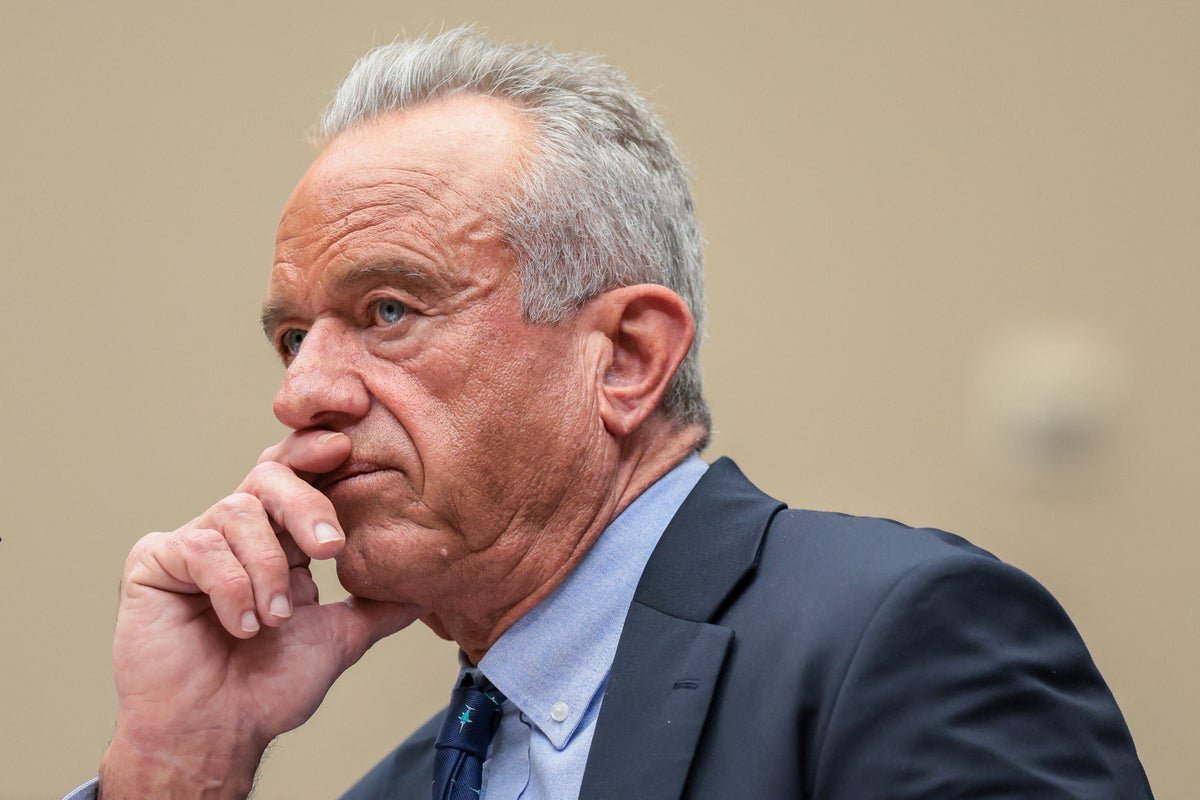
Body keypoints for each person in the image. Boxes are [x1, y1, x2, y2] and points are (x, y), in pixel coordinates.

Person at [67, 27, 1153, 799]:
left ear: (628, 357)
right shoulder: (397, 786)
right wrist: (179, 764)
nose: (301, 391)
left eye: (387, 308)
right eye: (294, 336)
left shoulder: (892, 638)